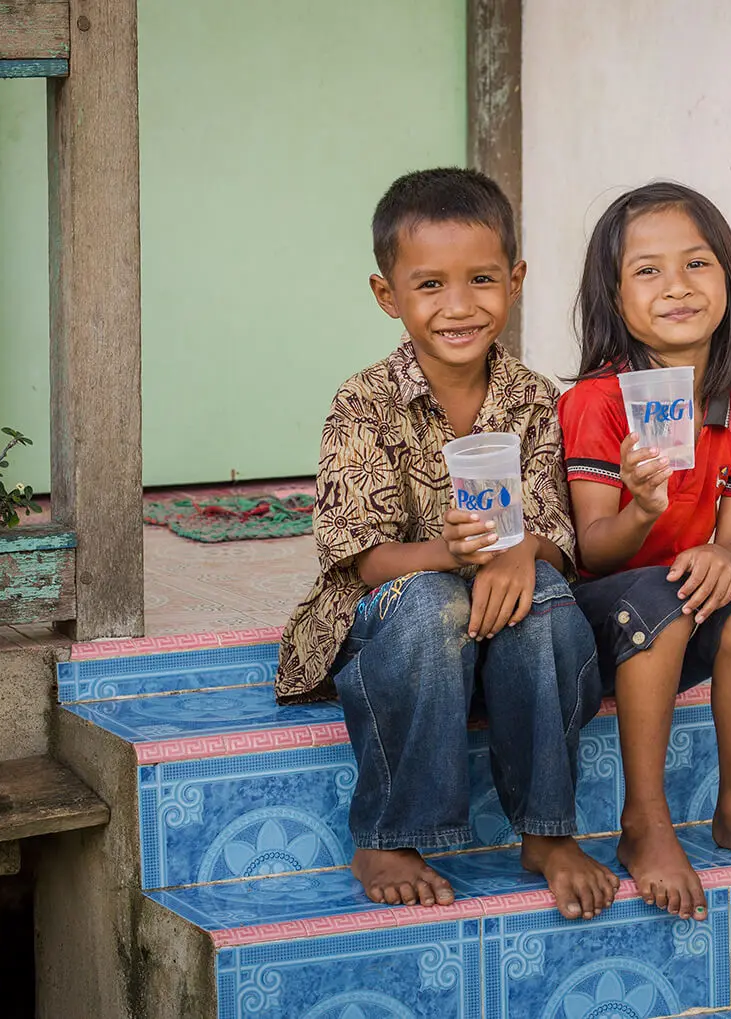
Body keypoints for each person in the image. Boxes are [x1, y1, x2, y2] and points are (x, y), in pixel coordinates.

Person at [276, 168, 617, 921]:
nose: (459, 306)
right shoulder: (362, 401)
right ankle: (392, 832)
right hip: (394, 617)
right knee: (432, 603)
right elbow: (365, 558)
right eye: (429, 285)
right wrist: (455, 553)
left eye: (482, 280)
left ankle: (546, 830)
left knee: (552, 602)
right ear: (387, 295)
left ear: (516, 280)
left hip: (501, 612)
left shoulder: (536, 399)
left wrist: (522, 550)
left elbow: (559, 533)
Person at [559, 181, 731, 922]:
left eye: (697, 263)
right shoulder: (597, 401)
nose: (676, 286)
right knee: (658, 603)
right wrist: (643, 508)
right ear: (615, 299)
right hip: (600, 607)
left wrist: (724, 556)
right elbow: (594, 548)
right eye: (647, 270)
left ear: (730, 279)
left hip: (680, 593)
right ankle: (644, 819)